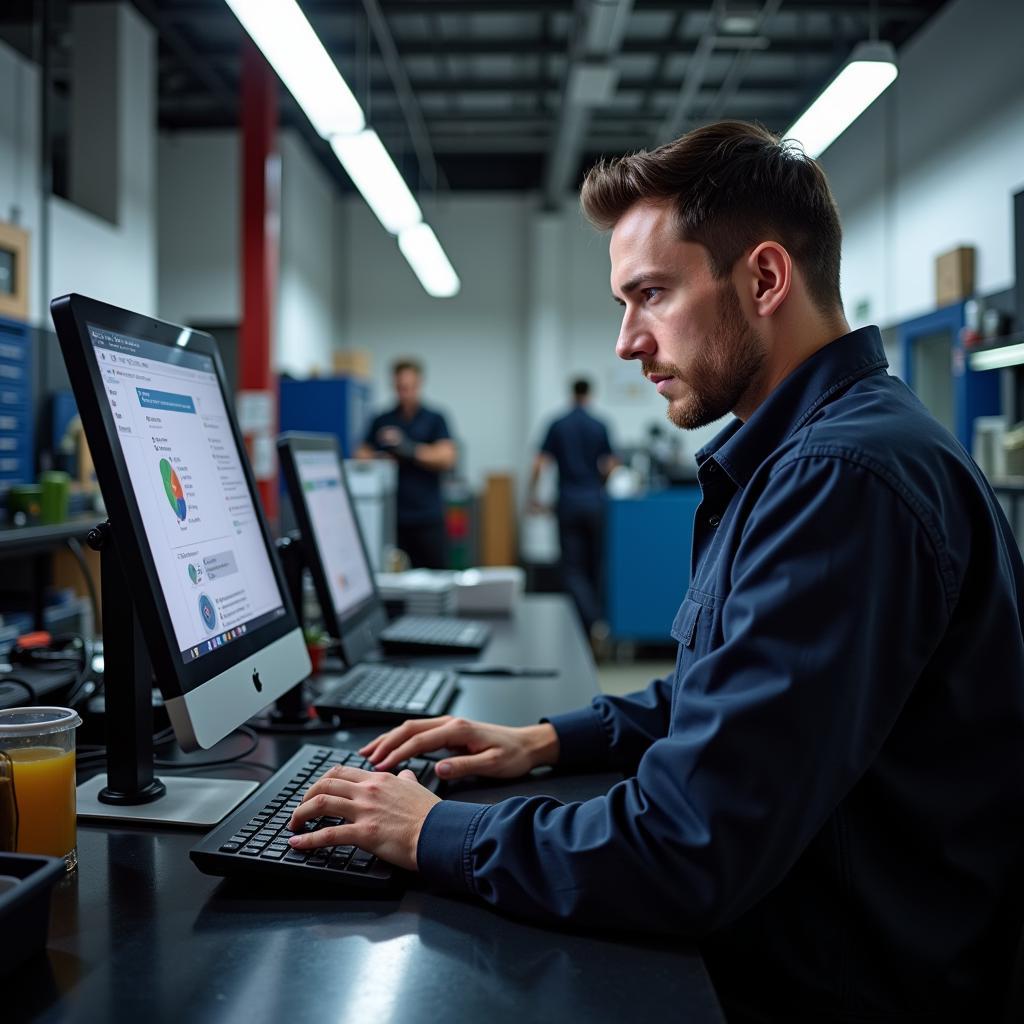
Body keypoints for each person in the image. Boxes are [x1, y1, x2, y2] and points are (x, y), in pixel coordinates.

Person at [287, 121, 1024, 1022]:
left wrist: (436, 830)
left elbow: (688, 846)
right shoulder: (818, 452)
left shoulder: (841, 477)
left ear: (763, 280)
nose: (627, 342)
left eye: (651, 295)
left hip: (849, 983)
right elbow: (731, 694)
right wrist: (548, 742)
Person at [528, 378, 617, 637]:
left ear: (571, 393)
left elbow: (539, 464)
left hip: (567, 501)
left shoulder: (558, 424)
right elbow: (611, 464)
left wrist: (532, 497)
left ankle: (589, 621)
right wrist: (600, 485)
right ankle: (595, 621)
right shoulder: (599, 425)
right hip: (594, 502)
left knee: (571, 568)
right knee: (594, 565)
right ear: (590, 393)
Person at [357, 359, 456, 569]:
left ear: (419, 384)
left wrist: (409, 449)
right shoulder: (382, 419)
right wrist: (380, 460)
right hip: (392, 518)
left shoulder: (435, 418)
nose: (405, 393)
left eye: (410, 387)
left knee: (436, 576)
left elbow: (447, 457)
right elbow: (361, 454)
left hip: (426, 516)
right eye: (400, 387)